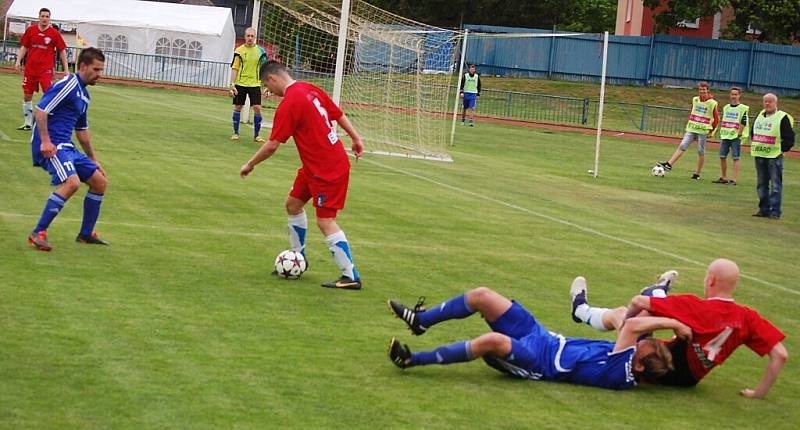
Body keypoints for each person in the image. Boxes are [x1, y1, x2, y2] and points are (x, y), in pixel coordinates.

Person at [387, 287, 693, 390]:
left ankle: (412, 359)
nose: (642, 342)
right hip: (542, 337)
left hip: (538, 363)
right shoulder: (634, 358)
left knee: (493, 341)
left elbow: (631, 326)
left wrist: (674, 323)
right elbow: (630, 320)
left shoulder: (621, 372)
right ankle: (421, 321)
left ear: (638, 366)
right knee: (483, 296)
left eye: (643, 346)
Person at [570, 259, 787, 398]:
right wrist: (757, 393)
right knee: (650, 313)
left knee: (624, 314)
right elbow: (780, 355)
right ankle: (657, 291)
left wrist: (625, 326)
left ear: (710, 280)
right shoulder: (747, 316)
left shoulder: (698, 306)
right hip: (688, 380)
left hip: (659, 368)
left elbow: (636, 302)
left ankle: (580, 308)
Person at [239, 60, 365, 289]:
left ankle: (350, 276)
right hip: (314, 166)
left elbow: (272, 145)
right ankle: (299, 257)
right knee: (293, 205)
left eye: (267, 85)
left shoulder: (290, 103)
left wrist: (250, 164)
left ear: (272, 79)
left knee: (325, 221)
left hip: (327, 168)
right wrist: (356, 138)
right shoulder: (310, 88)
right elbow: (338, 114)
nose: (270, 91)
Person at [27, 48, 109, 252]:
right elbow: (41, 110)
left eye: (101, 70)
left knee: (99, 181)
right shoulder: (69, 84)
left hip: (67, 146)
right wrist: (45, 142)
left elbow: (82, 131)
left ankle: (86, 234)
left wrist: (93, 159)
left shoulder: (84, 95)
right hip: (52, 145)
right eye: (96, 69)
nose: (99, 74)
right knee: (72, 183)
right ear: (82, 66)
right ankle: (38, 232)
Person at [14, 7, 70, 131]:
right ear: (39, 17)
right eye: (43, 16)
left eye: (47, 16)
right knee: (27, 95)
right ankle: (28, 123)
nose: (44, 19)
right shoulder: (31, 30)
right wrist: (18, 61)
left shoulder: (54, 33)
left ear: (49, 18)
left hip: (46, 70)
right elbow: (24, 46)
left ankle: (51, 123)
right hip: (30, 69)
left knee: (49, 95)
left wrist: (66, 69)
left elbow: (62, 51)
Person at [657, 82, 719, 180]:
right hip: (692, 128)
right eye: (700, 89)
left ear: (708, 90)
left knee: (700, 151)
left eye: (704, 89)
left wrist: (712, 131)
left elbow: (716, 119)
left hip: (703, 130)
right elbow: (693, 111)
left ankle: (697, 173)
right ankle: (669, 164)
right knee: (682, 145)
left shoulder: (712, 103)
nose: (702, 91)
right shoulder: (695, 99)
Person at [750, 93, 795, 219]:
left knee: (775, 185)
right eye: (765, 101)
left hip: (774, 156)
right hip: (760, 154)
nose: (767, 104)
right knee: (761, 184)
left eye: (770, 101)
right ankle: (763, 209)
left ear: (776, 103)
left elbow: (789, 136)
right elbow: (754, 132)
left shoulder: (782, 117)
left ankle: (775, 211)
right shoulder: (760, 115)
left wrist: (784, 150)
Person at [229, 27, 269, 143]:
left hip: (255, 84)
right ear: (245, 37)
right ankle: (236, 133)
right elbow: (235, 68)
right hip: (241, 83)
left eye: (252, 36)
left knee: (257, 108)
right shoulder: (239, 50)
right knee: (238, 107)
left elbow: (265, 69)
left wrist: (267, 85)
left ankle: (257, 135)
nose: (250, 38)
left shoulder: (261, 51)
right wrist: (232, 84)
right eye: (248, 36)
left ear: (255, 37)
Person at [713, 87, 749, 185]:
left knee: (735, 157)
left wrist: (739, 133)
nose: (733, 96)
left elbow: (744, 121)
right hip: (725, 135)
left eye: (735, 94)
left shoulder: (743, 108)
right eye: (732, 94)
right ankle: (724, 177)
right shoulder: (726, 107)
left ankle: (733, 179)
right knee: (722, 156)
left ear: (739, 95)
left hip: (735, 136)